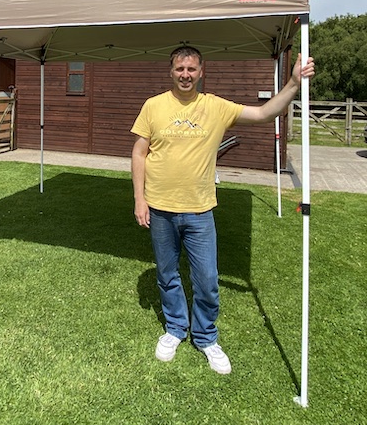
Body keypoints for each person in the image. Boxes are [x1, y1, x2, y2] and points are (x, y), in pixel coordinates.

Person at [131, 46, 315, 374]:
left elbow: (263, 114)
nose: (185, 75)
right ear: (170, 71)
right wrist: (139, 199)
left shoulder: (216, 106)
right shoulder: (153, 106)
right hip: (159, 208)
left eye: (191, 69)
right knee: (167, 273)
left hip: (200, 210)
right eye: (179, 69)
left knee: (206, 279)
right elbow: (139, 153)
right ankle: (175, 329)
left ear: (201, 71)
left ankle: (205, 336)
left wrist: (292, 83)